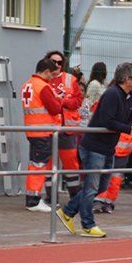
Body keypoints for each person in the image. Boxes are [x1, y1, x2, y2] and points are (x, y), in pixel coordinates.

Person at [56, 63, 132, 238]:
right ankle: (88, 224)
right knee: (91, 186)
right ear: (126, 79)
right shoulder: (112, 94)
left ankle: (68, 211)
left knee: (100, 185)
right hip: (94, 147)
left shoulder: (131, 97)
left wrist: (130, 127)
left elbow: (125, 120)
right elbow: (108, 121)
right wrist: (128, 129)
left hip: (108, 147)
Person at [21, 58, 63, 212]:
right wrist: (58, 100)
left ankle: (33, 198)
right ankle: (33, 200)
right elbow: (55, 108)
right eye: (52, 75)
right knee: (38, 165)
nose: (52, 78)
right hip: (43, 132)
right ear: (46, 72)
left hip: (32, 130)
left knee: (35, 164)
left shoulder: (27, 85)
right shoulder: (43, 87)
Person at [46, 51, 83, 198]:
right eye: (53, 62)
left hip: (66, 130)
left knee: (71, 165)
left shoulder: (70, 80)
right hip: (48, 130)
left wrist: (61, 102)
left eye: (59, 62)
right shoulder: (42, 80)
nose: (56, 65)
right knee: (48, 166)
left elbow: (77, 101)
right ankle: (50, 197)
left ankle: (75, 197)